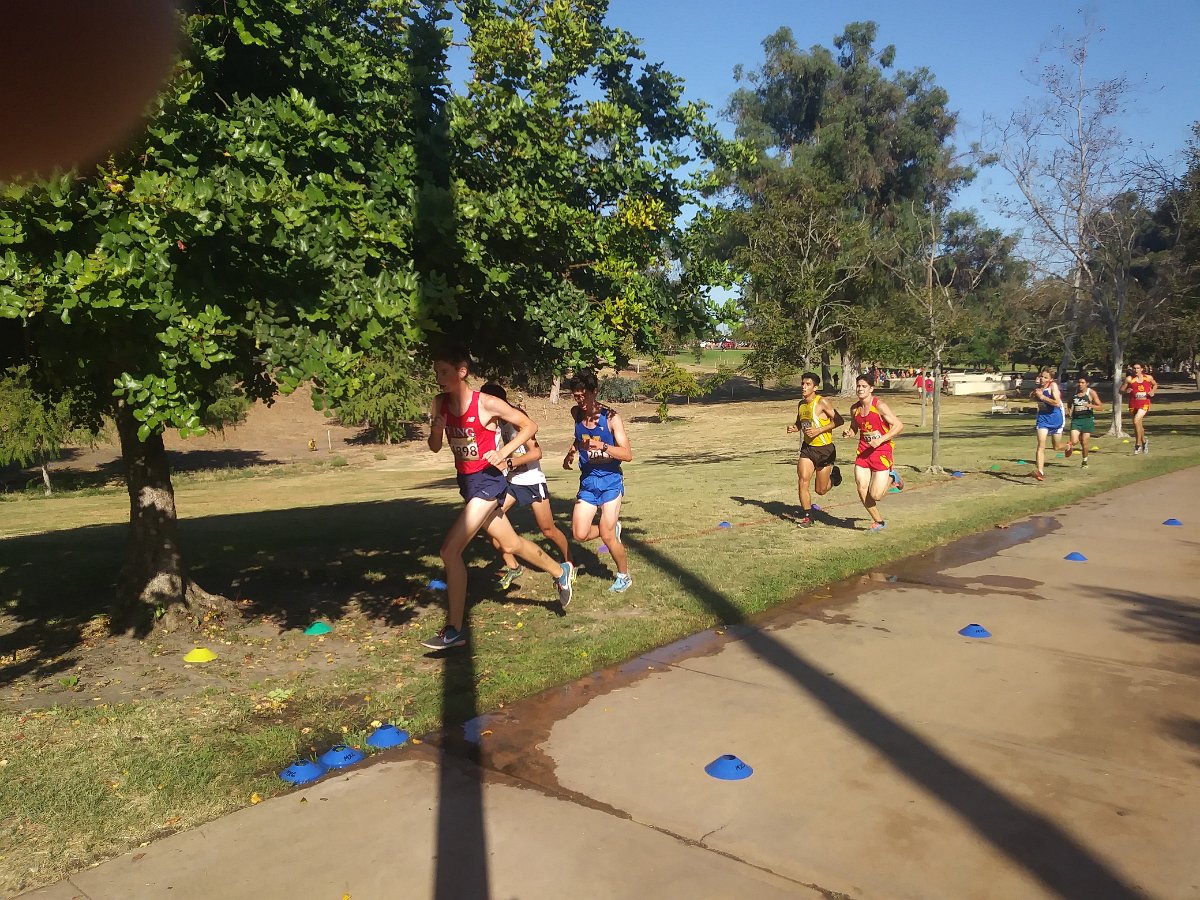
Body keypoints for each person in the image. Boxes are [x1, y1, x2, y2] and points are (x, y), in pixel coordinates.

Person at [421, 349, 575, 651]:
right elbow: (435, 447)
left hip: (489, 482)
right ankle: (561, 572)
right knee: (511, 544)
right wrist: (436, 431)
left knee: (449, 551)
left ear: (462, 371)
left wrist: (503, 453)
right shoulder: (439, 403)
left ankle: (454, 629)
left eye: (444, 372)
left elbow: (530, 427)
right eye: (436, 372)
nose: (439, 378)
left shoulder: (486, 403)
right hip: (467, 483)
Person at [478, 383, 572, 588]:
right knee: (489, 521)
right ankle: (513, 567)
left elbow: (537, 453)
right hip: (512, 482)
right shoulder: (498, 422)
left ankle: (568, 563)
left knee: (548, 530)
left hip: (532, 481)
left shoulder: (518, 419)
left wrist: (509, 463)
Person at [562, 370, 634, 592]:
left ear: (595, 391)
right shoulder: (576, 413)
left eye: (584, 395)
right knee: (579, 534)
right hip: (588, 481)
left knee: (608, 536)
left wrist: (603, 446)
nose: (580, 401)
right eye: (576, 396)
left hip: (610, 481)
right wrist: (571, 452)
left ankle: (624, 576)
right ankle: (610, 529)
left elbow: (627, 454)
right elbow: (579, 437)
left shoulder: (611, 418)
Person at [843, 373, 904, 532]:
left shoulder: (879, 406)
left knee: (876, 495)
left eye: (864, 386)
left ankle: (893, 478)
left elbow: (898, 426)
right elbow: (855, 428)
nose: (860, 389)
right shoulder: (854, 409)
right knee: (861, 488)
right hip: (863, 452)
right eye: (858, 386)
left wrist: (881, 439)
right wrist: (849, 432)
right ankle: (879, 522)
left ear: (871, 389)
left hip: (881, 451)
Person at [786, 372, 843, 527]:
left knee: (821, 490)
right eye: (802, 384)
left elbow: (839, 420)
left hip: (825, 450)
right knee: (803, 480)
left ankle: (834, 478)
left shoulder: (822, 402)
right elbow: (801, 422)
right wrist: (795, 428)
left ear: (815, 387)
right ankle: (808, 516)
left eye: (808, 384)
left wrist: (819, 430)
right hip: (808, 449)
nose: (804, 387)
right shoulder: (801, 404)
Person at [1029, 367, 1068, 482]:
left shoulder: (1053, 386)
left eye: (1045, 377)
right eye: (1041, 376)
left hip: (1055, 418)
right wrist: (1034, 395)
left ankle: (1068, 446)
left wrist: (1042, 397)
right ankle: (1040, 472)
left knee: (1056, 447)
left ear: (1051, 379)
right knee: (1041, 445)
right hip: (1043, 418)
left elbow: (1057, 403)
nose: (1042, 379)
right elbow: (1034, 399)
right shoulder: (1038, 388)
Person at [1067, 374, 1104, 469]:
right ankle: (1069, 447)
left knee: (1084, 442)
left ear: (1087, 383)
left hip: (1087, 420)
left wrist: (1090, 405)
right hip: (1076, 420)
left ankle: (1084, 461)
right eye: (1079, 382)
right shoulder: (1075, 393)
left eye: (1082, 382)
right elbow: (1069, 402)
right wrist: (1069, 411)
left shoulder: (1090, 393)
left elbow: (1101, 407)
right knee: (1074, 441)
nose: (1080, 384)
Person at [1121, 362, 1158, 454]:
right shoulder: (1129, 379)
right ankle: (1144, 442)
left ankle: (1137, 445)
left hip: (1144, 403)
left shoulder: (1148, 378)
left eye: (1138, 368)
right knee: (1138, 425)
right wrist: (1126, 391)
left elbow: (1155, 385)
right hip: (1133, 403)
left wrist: (1152, 391)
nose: (1136, 370)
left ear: (1142, 369)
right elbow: (1121, 390)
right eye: (1134, 368)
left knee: (1136, 420)